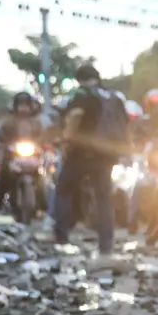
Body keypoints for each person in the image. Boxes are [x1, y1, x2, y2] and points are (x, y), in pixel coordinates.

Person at [55, 64, 130, 255]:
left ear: (80, 79)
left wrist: (66, 139)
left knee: (64, 190)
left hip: (81, 153)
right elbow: (125, 123)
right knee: (104, 198)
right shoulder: (114, 97)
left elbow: (75, 115)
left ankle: (61, 237)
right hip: (107, 155)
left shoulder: (82, 94)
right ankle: (106, 244)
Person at [0, 92, 46, 213]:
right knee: (3, 179)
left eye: (26, 105)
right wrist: (4, 142)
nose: (23, 108)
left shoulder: (36, 122)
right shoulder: (9, 120)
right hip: (12, 155)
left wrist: (41, 144)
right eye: (21, 105)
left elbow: (42, 136)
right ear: (15, 106)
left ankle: (43, 209)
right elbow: (0, 133)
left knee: (40, 181)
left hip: (31, 157)